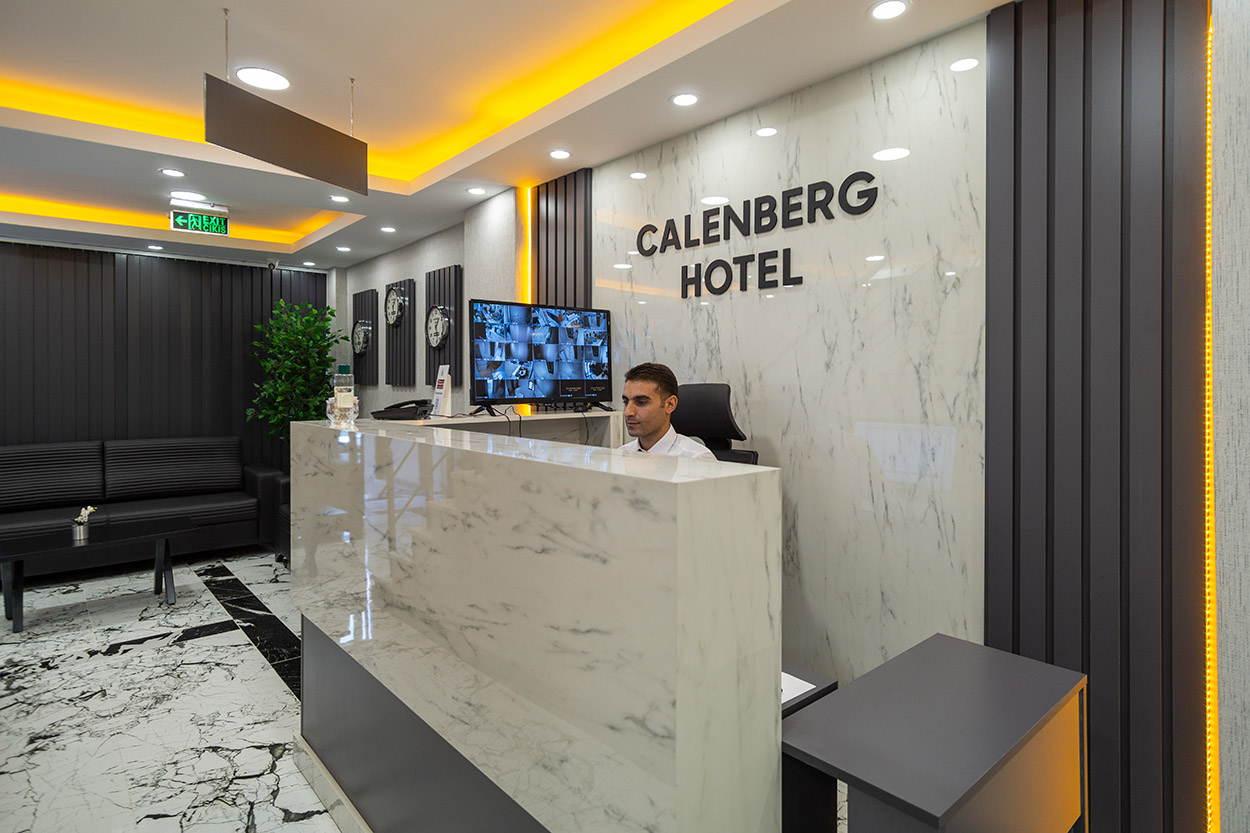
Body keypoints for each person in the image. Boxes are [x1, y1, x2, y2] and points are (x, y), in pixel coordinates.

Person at [619, 363, 716, 460]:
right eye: (626, 402)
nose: (627, 412)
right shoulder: (620, 454)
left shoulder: (697, 459)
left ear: (670, 404)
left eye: (641, 402)